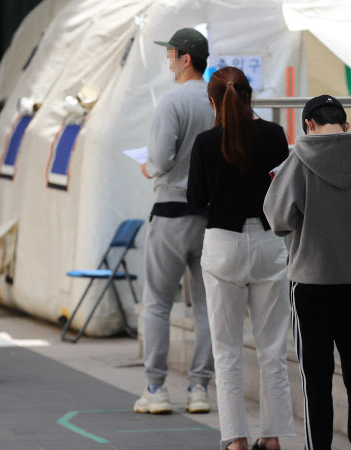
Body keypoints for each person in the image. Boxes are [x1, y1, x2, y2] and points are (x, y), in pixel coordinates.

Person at [264, 95, 351, 450]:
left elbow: (277, 219)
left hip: (312, 285)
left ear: (309, 124)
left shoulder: (299, 160)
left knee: (316, 380)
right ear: (345, 125)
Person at [188, 66, 294, 450]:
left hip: (223, 244)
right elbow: (284, 192)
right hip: (269, 242)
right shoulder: (274, 135)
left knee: (227, 349)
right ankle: (273, 434)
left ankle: (235, 437)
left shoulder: (204, 142)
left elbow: (196, 201)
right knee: (272, 349)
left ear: (212, 100)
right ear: (250, 96)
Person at [134, 28, 215, 415]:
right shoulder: (219, 102)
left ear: (186, 59)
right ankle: (199, 389)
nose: (168, 61)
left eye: (170, 55)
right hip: (210, 217)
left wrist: (149, 167)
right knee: (207, 307)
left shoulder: (172, 102)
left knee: (157, 304)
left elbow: (162, 159)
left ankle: (156, 388)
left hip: (170, 211)